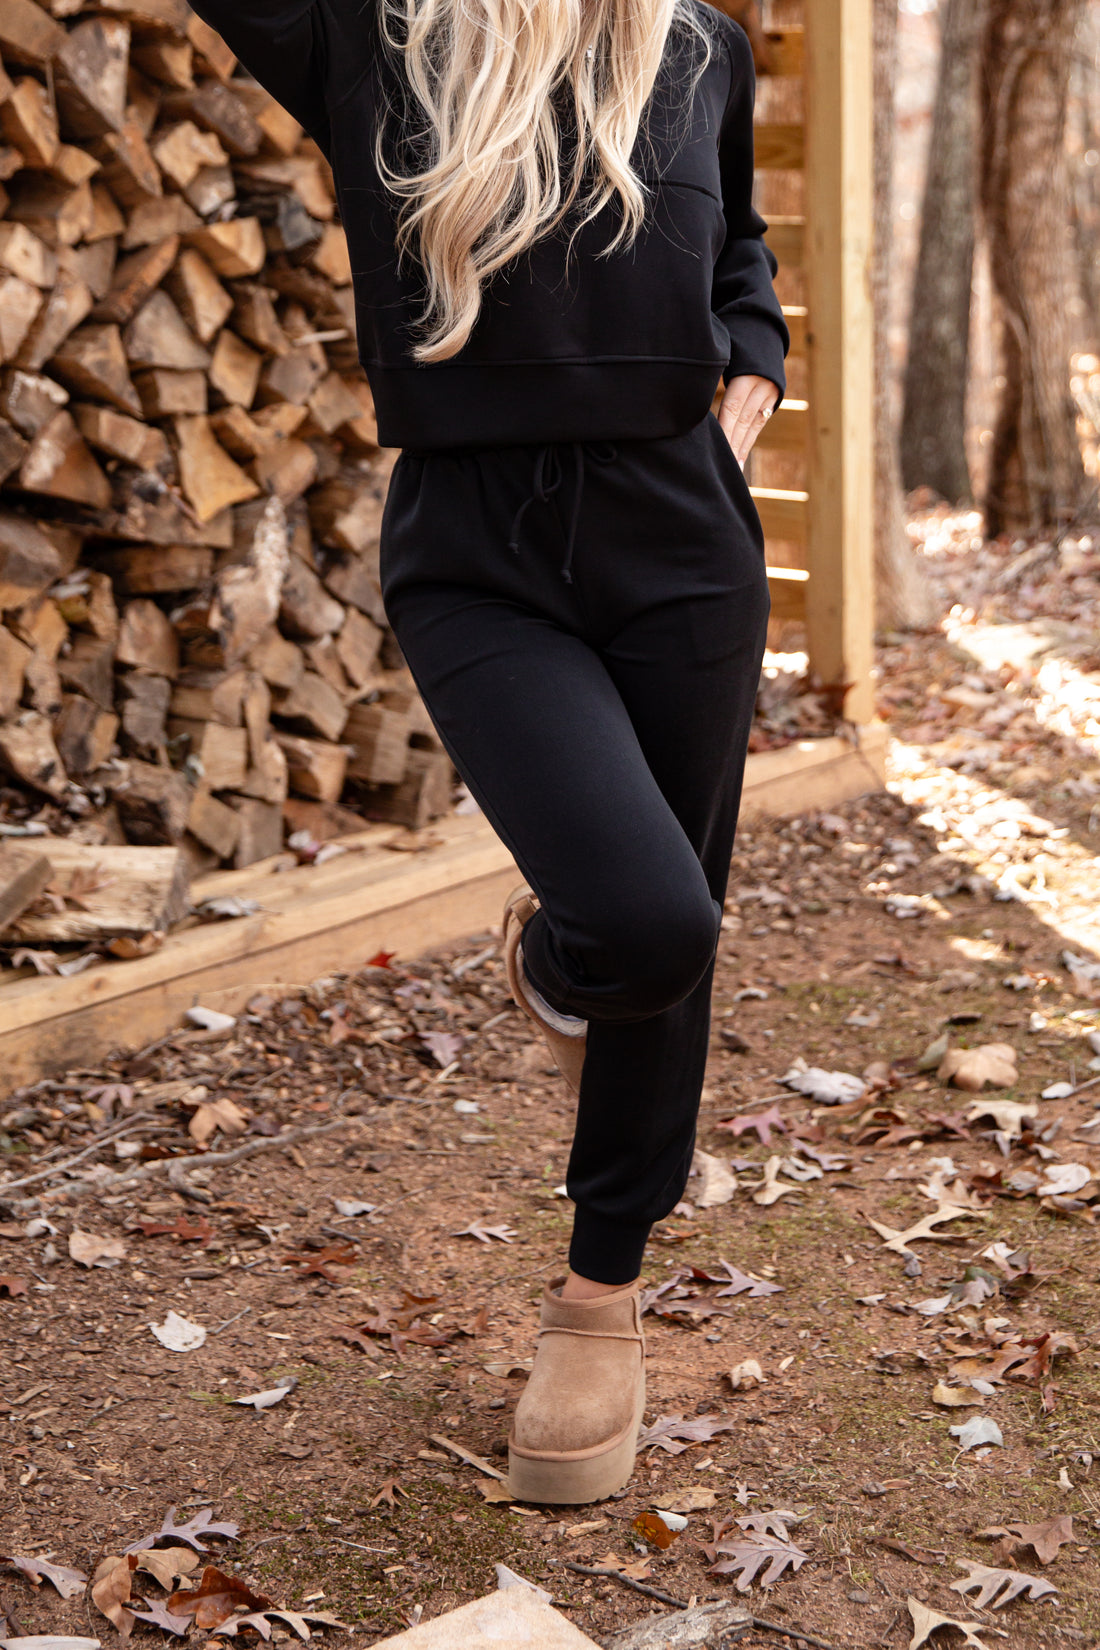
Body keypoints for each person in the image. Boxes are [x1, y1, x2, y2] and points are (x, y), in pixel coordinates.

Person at [188, 0, 789, 1506]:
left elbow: (742, 261)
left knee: (678, 923)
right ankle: (565, 958)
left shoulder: (704, 44)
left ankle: (599, 1295)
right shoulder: (367, 36)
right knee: (647, 919)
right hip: (476, 550)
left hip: (684, 539)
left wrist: (742, 401)